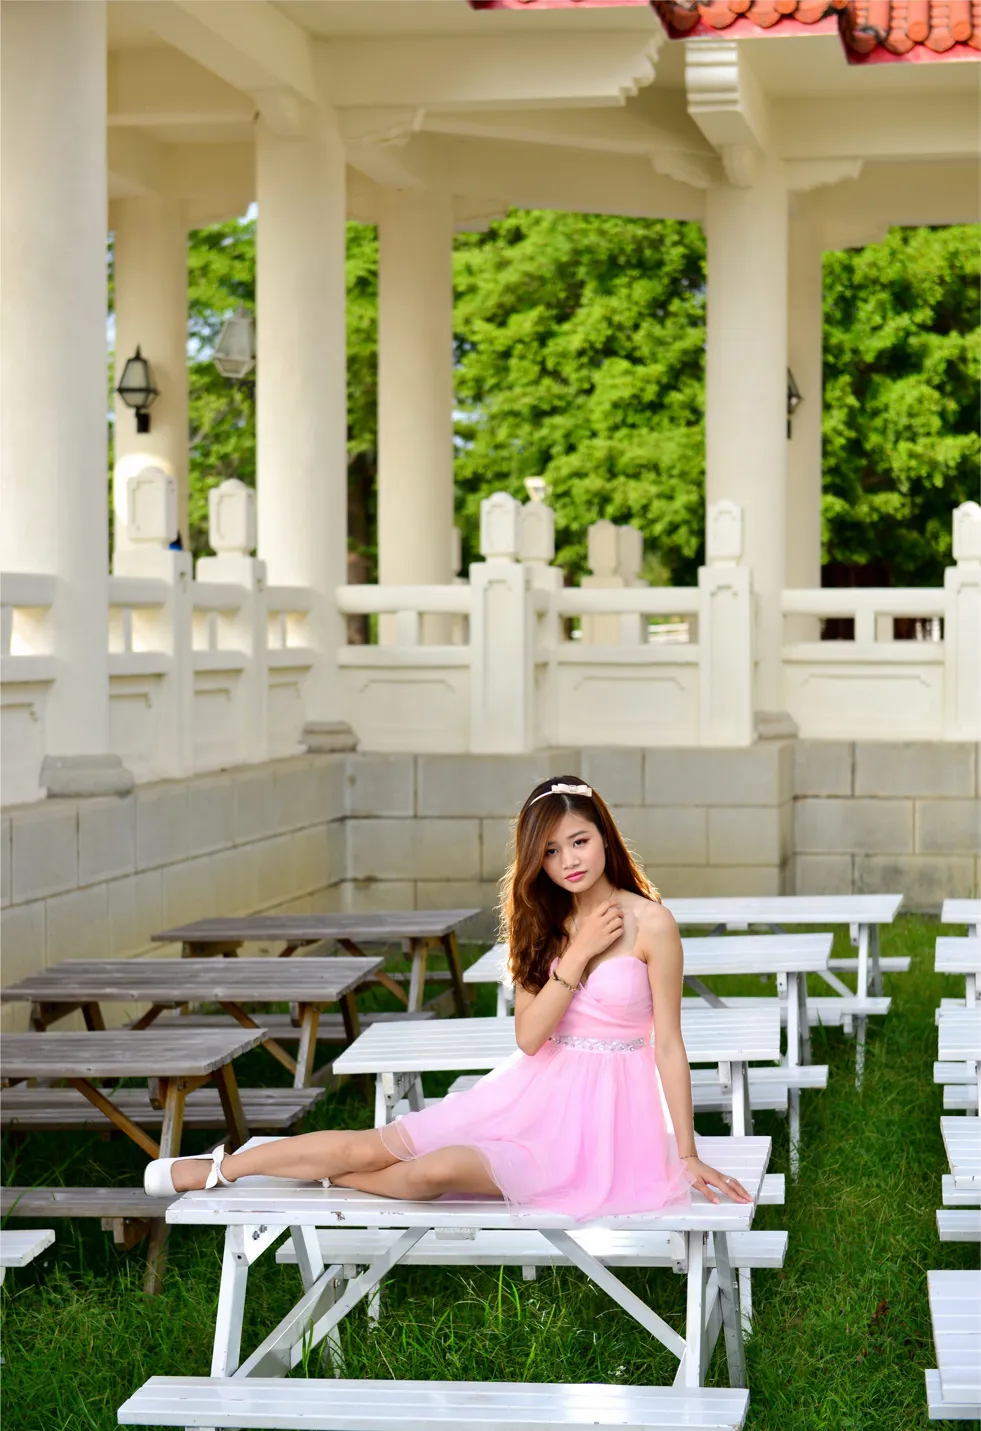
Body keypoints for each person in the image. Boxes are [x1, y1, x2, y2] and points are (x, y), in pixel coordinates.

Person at [145, 777, 751, 1215]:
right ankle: (219, 1168)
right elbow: (530, 1038)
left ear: (605, 837)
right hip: (530, 1097)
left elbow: (668, 1045)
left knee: (432, 1173)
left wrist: (689, 1151)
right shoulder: (543, 925)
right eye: (549, 850)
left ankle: (331, 1180)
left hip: (608, 1126)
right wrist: (581, 951)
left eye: (579, 841)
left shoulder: (652, 925)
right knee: (371, 1144)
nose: (567, 861)